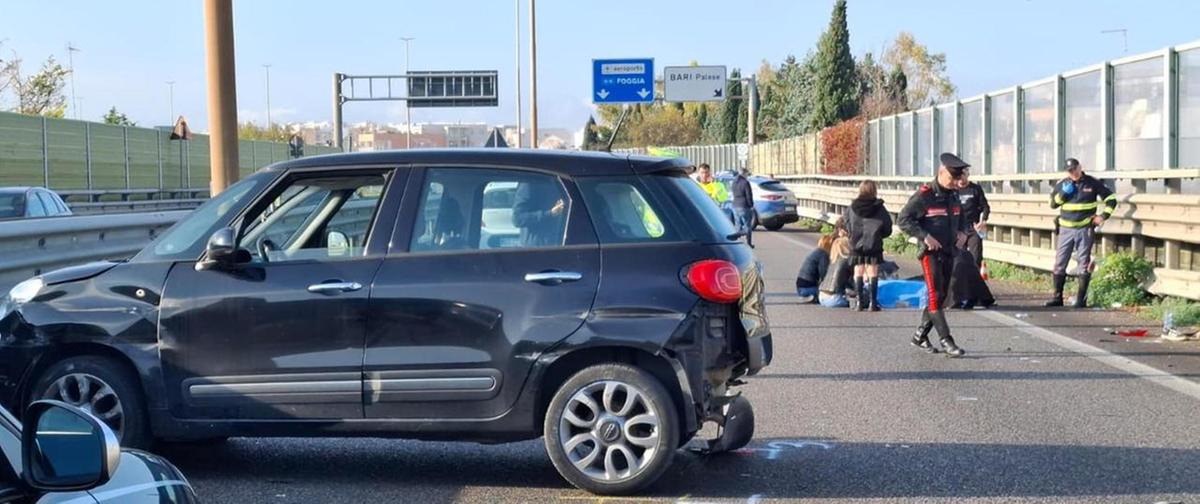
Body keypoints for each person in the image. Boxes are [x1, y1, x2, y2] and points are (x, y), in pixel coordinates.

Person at [898, 152, 971, 357]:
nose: (956, 183)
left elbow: (964, 217)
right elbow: (903, 219)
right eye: (952, 178)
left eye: (958, 179)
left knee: (940, 296)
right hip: (930, 253)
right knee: (933, 296)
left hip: (950, 250)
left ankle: (919, 336)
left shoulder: (954, 194)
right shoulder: (925, 195)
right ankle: (947, 340)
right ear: (941, 172)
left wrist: (964, 233)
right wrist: (925, 236)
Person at [1045, 158, 1117, 308]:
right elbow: (1053, 204)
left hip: (1084, 229)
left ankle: (1081, 300)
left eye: (1075, 169)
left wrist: (1103, 216)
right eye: (1070, 171)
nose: (1073, 173)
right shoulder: (1063, 184)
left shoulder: (1092, 183)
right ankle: (1057, 297)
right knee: (1060, 263)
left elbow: (1111, 199)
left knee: (1083, 264)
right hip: (1065, 230)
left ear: (1080, 167)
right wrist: (1064, 193)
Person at [843, 180, 892, 311]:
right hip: (874, 244)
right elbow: (887, 226)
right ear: (874, 190)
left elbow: (846, 223)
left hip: (856, 244)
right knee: (872, 272)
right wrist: (879, 236)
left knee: (858, 270)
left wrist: (852, 235)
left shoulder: (852, 207)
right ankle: (873, 303)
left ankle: (859, 302)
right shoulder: (879, 208)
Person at [513, 178, 566, 247]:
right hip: (536, 248)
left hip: (559, 243)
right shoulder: (529, 184)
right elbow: (517, 218)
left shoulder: (558, 180)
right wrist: (550, 213)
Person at [956, 168, 990, 269]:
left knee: (976, 258)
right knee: (959, 258)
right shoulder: (953, 190)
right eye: (959, 174)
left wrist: (983, 221)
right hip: (958, 229)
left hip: (973, 227)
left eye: (964, 174)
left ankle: (975, 281)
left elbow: (985, 207)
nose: (962, 177)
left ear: (968, 174)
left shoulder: (975, 189)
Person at [796, 234, 834, 303]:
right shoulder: (823, 255)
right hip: (807, 288)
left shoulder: (817, 252)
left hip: (801, 287)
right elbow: (823, 274)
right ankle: (815, 295)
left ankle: (813, 296)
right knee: (831, 294)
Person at [731, 168, 756, 248]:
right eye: (747, 174)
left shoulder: (734, 182)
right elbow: (749, 195)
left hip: (735, 205)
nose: (747, 176)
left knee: (737, 224)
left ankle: (737, 243)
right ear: (744, 173)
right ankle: (748, 243)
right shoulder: (745, 182)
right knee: (747, 225)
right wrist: (751, 205)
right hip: (744, 205)